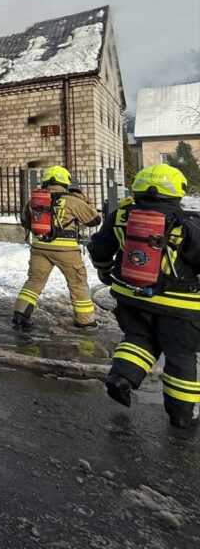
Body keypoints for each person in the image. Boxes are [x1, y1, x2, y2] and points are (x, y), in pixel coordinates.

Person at [88, 164, 200, 429]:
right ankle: (182, 414)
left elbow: (99, 248)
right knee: (180, 355)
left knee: (139, 338)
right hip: (178, 305)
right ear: (177, 190)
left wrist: (104, 271)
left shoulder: (121, 216)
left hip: (131, 297)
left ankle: (121, 378)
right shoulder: (189, 223)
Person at [12, 165, 102, 331]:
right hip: (66, 251)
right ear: (65, 182)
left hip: (39, 247)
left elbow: (25, 221)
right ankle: (85, 321)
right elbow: (94, 220)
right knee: (78, 284)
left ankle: (20, 315)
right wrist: (83, 199)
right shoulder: (72, 201)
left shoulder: (34, 201)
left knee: (34, 281)